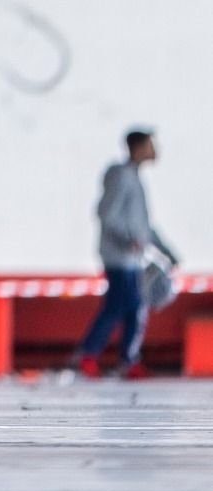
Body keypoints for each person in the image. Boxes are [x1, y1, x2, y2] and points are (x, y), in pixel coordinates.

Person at [76, 128, 177, 380]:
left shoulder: (134, 178)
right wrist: (127, 239)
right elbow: (107, 214)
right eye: (150, 145)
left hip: (131, 258)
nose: (155, 150)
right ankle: (89, 355)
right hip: (118, 257)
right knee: (119, 306)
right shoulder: (121, 176)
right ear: (138, 147)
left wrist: (166, 251)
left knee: (133, 308)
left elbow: (143, 227)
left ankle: (128, 360)